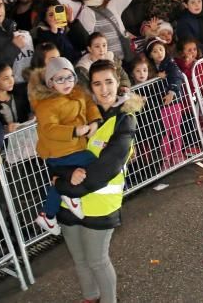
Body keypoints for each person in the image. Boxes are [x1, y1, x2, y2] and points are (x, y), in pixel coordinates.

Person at [52, 60, 143, 303]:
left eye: (109, 82)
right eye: (98, 84)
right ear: (91, 87)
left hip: (99, 205)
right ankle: (89, 298)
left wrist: (62, 184)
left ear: (118, 83)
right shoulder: (80, 113)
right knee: (80, 260)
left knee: (97, 261)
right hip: (69, 202)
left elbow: (106, 167)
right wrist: (62, 175)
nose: (104, 89)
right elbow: (56, 152)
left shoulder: (125, 119)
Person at [28, 56, 102, 236]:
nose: (66, 82)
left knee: (59, 181)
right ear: (51, 82)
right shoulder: (46, 104)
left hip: (73, 146)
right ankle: (70, 195)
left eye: (69, 77)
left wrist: (94, 121)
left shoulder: (77, 91)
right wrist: (74, 131)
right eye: (59, 79)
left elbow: (90, 104)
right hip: (59, 149)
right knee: (91, 162)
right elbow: (50, 129)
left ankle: (48, 214)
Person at [145, 38, 186, 167]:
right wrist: (156, 77)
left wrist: (171, 92)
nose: (159, 53)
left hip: (174, 102)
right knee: (164, 132)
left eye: (161, 49)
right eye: (155, 51)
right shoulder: (151, 69)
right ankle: (167, 157)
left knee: (175, 130)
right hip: (160, 104)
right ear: (150, 55)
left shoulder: (170, 63)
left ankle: (178, 154)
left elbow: (177, 77)